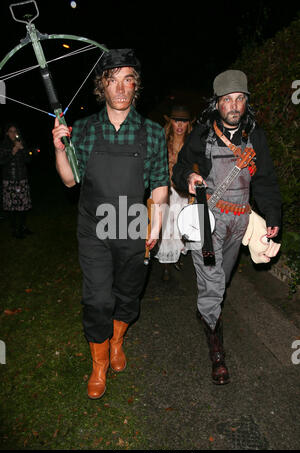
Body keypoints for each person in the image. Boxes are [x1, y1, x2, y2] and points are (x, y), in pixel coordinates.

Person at [52, 49, 169, 399]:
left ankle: (117, 341)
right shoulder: (85, 129)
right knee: (98, 299)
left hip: (133, 220)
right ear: (102, 86)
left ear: (136, 86)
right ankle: (99, 364)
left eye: (127, 79)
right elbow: (70, 180)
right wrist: (60, 148)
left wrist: (157, 222)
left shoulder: (151, 132)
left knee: (128, 295)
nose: (120, 87)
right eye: (112, 79)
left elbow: (160, 184)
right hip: (94, 224)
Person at [172, 70, 282, 385]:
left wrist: (272, 216)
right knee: (212, 281)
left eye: (239, 99)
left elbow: (265, 181)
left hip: (240, 221)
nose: (233, 105)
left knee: (223, 275)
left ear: (246, 102)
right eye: (226, 100)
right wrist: (189, 179)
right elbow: (180, 168)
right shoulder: (202, 134)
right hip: (207, 220)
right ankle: (216, 351)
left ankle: (208, 312)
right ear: (217, 104)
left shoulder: (256, 137)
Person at [155, 104, 193, 280]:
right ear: (171, 122)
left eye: (183, 122)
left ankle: (175, 256)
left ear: (188, 124)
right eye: (176, 121)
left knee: (179, 228)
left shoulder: (192, 143)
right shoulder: (162, 140)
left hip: (183, 192)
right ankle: (165, 266)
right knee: (164, 228)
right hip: (164, 189)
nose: (179, 125)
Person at [0, 123, 32, 238]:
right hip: (10, 180)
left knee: (24, 206)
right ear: (7, 133)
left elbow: (29, 160)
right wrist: (12, 152)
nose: (13, 134)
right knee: (12, 207)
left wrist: (23, 150)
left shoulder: (21, 143)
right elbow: (1, 161)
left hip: (22, 179)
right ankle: (14, 229)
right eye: (11, 131)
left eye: (15, 131)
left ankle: (22, 226)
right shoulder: (4, 145)